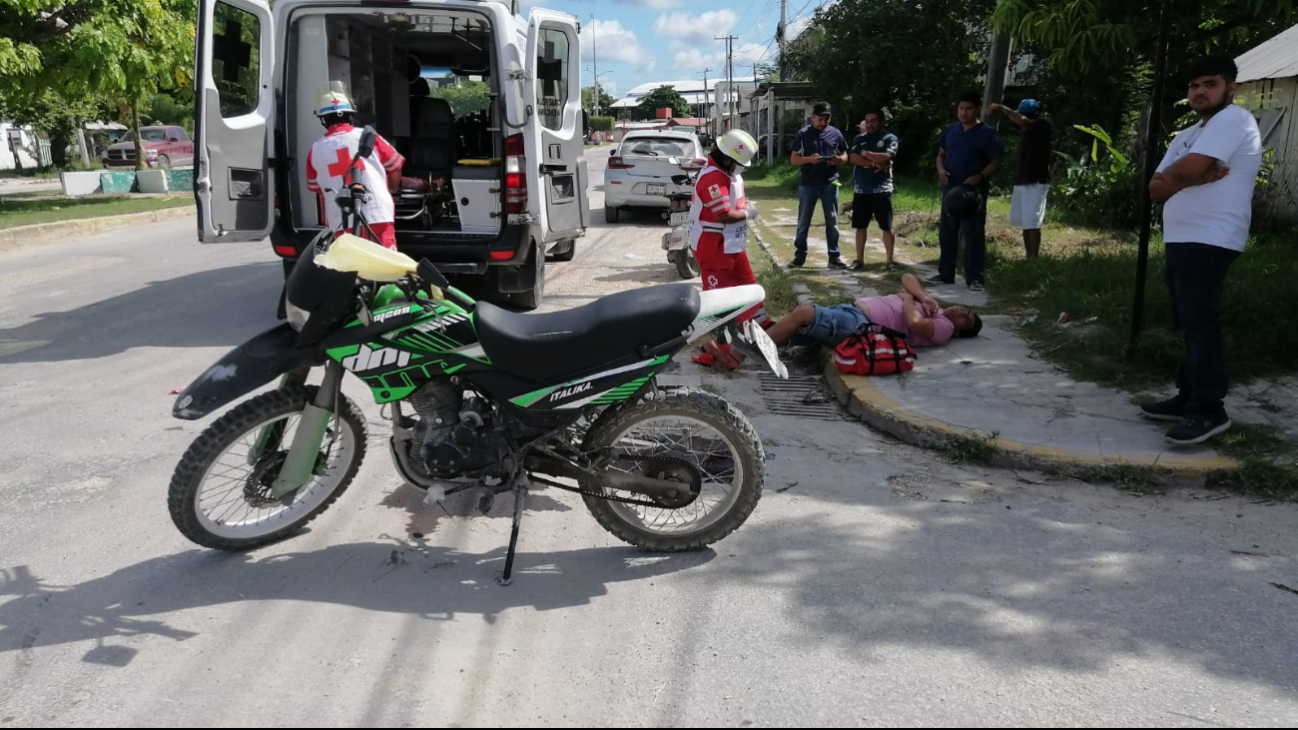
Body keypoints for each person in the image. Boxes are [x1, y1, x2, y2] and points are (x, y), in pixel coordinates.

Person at [1142, 55, 1262, 445]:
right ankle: (1189, 395)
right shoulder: (1188, 133)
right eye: (1194, 86)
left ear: (1230, 88)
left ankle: (1209, 409)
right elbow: (1155, 189)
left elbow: (1182, 173)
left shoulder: (1234, 119)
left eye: (1210, 83)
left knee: (1200, 322)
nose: (1199, 92)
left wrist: (1182, 177)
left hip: (1211, 237)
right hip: (1181, 238)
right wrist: (1185, 178)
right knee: (1188, 319)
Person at [688, 128, 770, 369]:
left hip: (732, 245)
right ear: (727, 158)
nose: (741, 168)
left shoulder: (725, 173)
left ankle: (763, 331)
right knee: (718, 303)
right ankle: (717, 351)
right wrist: (748, 213)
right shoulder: (713, 178)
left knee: (750, 290)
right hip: (715, 249)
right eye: (738, 163)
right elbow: (723, 214)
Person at [765, 273, 982, 349]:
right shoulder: (934, 308)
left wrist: (908, 298)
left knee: (804, 313)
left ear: (958, 332)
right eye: (968, 310)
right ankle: (754, 342)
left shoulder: (945, 328)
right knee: (794, 328)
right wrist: (923, 297)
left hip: (862, 326)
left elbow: (915, 324)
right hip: (852, 311)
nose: (964, 312)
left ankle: (740, 354)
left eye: (967, 319)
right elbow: (907, 277)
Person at [305, 86, 405, 250]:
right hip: (377, 212)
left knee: (352, 268)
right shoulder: (368, 136)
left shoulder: (315, 150)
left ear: (323, 119)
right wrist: (393, 190)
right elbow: (394, 167)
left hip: (341, 220)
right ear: (350, 115)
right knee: (384, 266)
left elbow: (316, 188)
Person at [934, 91, 1002, 291]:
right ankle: (946, 273)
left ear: (977, 109)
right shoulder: (951, 130)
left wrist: (980, 176)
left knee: (973, 233)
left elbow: (995, 163)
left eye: (968, 109)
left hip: (973, 193)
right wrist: (940, 169)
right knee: (947, 231)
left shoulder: (987, 133)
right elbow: (941, 154)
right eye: (961, 108)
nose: (964, 113)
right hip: (950, 189)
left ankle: (975, 277)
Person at [988, 99, 1052, 259]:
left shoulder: (1041, 125)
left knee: (1033, 221)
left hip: (1037, 181)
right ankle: (1028, 255)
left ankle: (1034, 257)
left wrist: (1003, 108)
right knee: (1025, 221)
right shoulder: (1027, 132)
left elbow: (1023, 121)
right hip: (1024, 180)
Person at [790, 101, 849, 269]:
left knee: (832, 221)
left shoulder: (835, 133)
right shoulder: (803, 134)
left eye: (827, 119)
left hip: (830, 183)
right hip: (808, 184)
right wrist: (809, 159)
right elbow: (794, 159)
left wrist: (839, 159)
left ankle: (834, 256)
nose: (823, 122)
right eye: (820, 119)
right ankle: (800, 257)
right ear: (812, 117)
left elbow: (845, 154)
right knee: (803, 222)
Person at [847, 111, 900, 272]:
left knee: (886, 226)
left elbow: (885, 158)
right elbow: (851, 158)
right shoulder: (859, 139)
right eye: (867, 121)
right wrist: (871, 163)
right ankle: (859, 260)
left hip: (882, 189)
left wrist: (865, 153)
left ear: (881, 122)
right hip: (861, 189)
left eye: (874, 121)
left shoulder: (890, 139)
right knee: (860, 226)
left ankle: (890, 261)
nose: (870, 124)